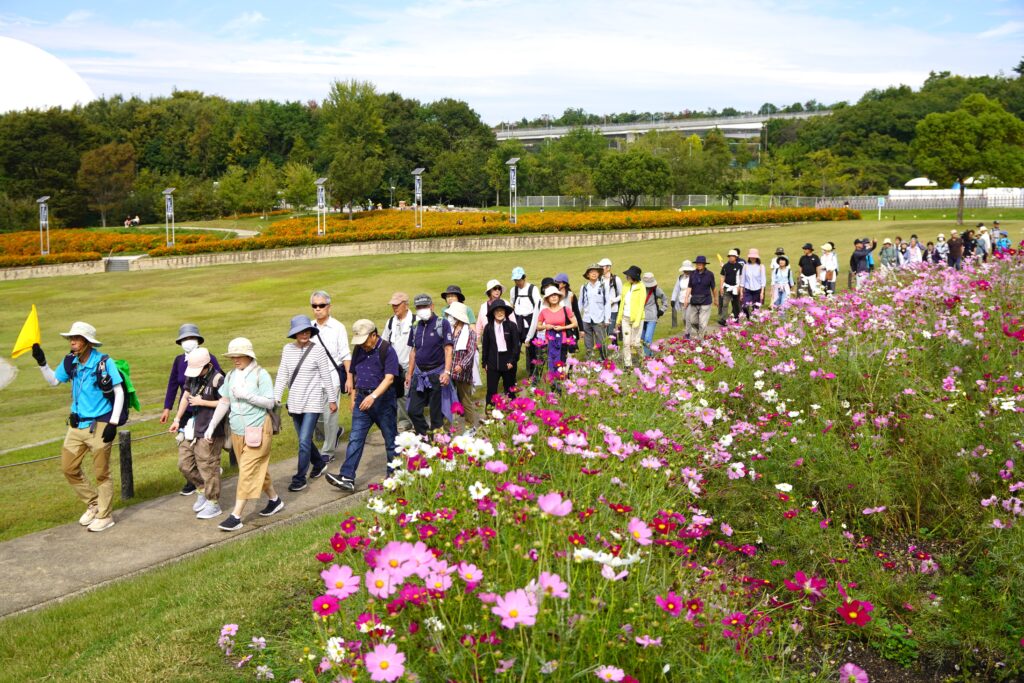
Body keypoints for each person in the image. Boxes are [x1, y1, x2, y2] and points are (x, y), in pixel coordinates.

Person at [31, 322, 124, 533]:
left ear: (88, 342)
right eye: (71, 338)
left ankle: (105, 515)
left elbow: (118, 392)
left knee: (102, 473)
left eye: (77, 338)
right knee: (68, 468)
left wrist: (113, 423)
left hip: (100, 424)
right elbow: (54, 381)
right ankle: (93, 503)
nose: (72, 342)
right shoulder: (70, 361)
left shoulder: (103, 362)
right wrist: (42, 363)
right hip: (77, 425)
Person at [205, 338, 282, 532]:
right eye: (232, 356)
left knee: (247, 472)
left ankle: (236, 516)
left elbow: (270, 402)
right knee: (256, 470)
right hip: (238, 431)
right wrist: (212, 425)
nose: (235, 359)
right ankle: (275, 500)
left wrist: (246, 395)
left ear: (249, 356)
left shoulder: (260, 374)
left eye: (238, 356)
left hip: (258, 429)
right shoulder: (230, 375)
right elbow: (224, 401)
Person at [326, 320, 400, 492]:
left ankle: (395, 475)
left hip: (383, 401)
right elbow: (355, 373)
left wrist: (374, 396)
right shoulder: (360, 348)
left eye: (365, 341)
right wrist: (354, 397)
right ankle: (347, 476)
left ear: (374, 335)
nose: (363, 345)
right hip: (362, 399)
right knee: (355, 439)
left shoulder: (387, 350)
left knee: (390, 439)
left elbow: (389, 378)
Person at [274, 315, 338, 493]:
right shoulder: (287, 349)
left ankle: (300, 477)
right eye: (301, 331)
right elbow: (282, 375)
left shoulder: (317, 350)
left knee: (303, 441)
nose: (305, 334)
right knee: (305, 441)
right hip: (294, 403)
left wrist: (332, 400)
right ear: (294, 333)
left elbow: (326, 376)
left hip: (312, 403)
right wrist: (276, 398)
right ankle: (318, 463)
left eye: (307, 330)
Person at [162, 323, 222, 496]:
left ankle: (208, 488)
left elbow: (217, 383)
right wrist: (169, 409)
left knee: (204, 453)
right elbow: (174, 385)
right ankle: (196, 483)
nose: (188, 341)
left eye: (191, 338)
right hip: (187, 412)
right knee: (186, 452)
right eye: (185, 339)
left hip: (206, 412)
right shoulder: (179, 361)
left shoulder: (208, 358)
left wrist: (203, 401)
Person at [169, 347, 227, 520]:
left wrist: (202, 402)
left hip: (212, 430)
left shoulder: (218, 379)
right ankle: (201, 488)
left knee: (208, 466)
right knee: (184, 463)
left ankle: (213, 502)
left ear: (207, 366)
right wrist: (177, 419)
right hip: (191, 427)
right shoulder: (192, 377)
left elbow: (226, 403)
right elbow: (186, 396)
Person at [405, 294, 455, 435]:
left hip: (436, 375)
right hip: (419, 375)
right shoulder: (415, 327)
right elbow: (413, 351)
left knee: (436, 416)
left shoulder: (442, 323)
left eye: (425, 306)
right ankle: (426, 435)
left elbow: (448, 349)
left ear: (432, 306)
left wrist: (447, 372)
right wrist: (409, 374)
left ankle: (436, 446)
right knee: (413, 410)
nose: (422, 310)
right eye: (419, 307)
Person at [310, 291, 351, 458]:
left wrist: (349, 378)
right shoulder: (309, 327)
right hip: (313, 380)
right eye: (314, 306)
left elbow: (345, 354)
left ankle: (328, 451)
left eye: (321, 305)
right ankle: (336, 432)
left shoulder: (338, 327)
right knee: (315, 417)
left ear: (329, 307)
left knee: (330, 416)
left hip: (332, 378)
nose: (318, 309)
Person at [382, 292, 414, 433]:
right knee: (398, 395)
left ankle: (408, 422)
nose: (394, 307)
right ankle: (404, 421)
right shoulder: (391, 322)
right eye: (393, 305)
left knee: (407, 395)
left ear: (406, 305)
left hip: (411, 364)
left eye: (397, 305)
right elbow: (384, 342)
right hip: (395, 366)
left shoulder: (415, 320)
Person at [480, 298, 521, 406]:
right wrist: (484, 363)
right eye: (497, 311)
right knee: (492, 390)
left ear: (505, 312)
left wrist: (512, 361)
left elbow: (516, 346)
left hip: (508, 362)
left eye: (502, 311)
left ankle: (513, 412)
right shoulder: (488, 327)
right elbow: (485, 346)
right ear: (493, 313)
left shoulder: (512, 326)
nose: (499, 313)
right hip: (493, 362)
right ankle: (490, 413)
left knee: (510, 389)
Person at [446, 301, 480, 427]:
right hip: (449, 370)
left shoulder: (469, 332)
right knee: (447, 399)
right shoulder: (450, 331)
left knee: (465, 399)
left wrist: (461, 365)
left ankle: (470, 424)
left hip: (463, 373)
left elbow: (471, 352)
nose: (451, 318)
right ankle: (448, 425)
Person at [537, 285, 578, 375]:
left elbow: (575, 324)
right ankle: (554, 386)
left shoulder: (565, 309)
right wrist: (545, 326)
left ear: (559, 297)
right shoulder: (544, 312)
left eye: (556, 295)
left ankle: (562, 385)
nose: (554, 297)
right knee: (552, 366)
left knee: (561, 365)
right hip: (550, 343)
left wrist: (562, 328)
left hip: (563, 342)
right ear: (547, 299)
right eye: (551, 295)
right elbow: (538, 326)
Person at [510, 267, 542, 376]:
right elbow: (512, 305)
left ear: (524, 278)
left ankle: (534, 375)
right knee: (514, 349)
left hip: (531, 321)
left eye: (519, 280)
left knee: (532, 350)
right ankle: (511, 376)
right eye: (515, 280)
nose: (518, 283)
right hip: (518, 321)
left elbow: (538, 307)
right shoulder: (513, 290)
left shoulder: (533, 289)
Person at [615, 266, 645, 368]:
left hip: (637, 319)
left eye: (629, 275)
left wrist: (637, 320)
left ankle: (643, 359)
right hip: (625, 318)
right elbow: (622, 303)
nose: (627, 277)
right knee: (626, 343)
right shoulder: (625, 286)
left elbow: (641, 305)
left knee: (635, 343)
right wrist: (618, 319)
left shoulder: (641, 287)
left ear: (634, 276)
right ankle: (628, 365)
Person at [579, 263, 611, 359]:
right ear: (587, 275)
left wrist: (607, 319)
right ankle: (590, 363)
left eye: (596, 272)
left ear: (599, 274)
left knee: (601, 342)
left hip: (599, 318)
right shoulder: (584, 287)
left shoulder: (603, 286)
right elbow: (580, 303)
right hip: (586, 319)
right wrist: (578, 319)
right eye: (591, 272)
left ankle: (605, 360)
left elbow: (607, 303)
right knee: (588, 343)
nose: (594, 274)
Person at [686, 256, 717, 339]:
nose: (699, 265)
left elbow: (713, 288)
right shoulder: (692, 274)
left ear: (704, 264)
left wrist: (715, 299)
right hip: (694, 301)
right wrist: (686, 298)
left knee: (702, 323)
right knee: (693, 321)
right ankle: (700, 332)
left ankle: (701, 339)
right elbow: (689, 286)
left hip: (706, 301)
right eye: (697, 263)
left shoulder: (710, 274)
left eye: (701, 263)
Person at [554, 273, 583, 355]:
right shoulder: (554, 296)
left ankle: (571, 365)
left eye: (558, 283)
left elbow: (577, 312)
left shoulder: (571, 295)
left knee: (571, 348)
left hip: (570, 325)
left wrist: (581, 329)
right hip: (558, 324)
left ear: (564, 284)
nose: (556, 284)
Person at [640, 272, 667, 356]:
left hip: (652, 317)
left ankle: (647, 358)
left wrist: (662, 310)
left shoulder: (656, 289)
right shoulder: (639, 289)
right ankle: (648, 354)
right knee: (642, 339)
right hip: (641, 317)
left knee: (648, 338)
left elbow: (665, 300)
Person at [600, 258, 623, 340]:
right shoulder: (600, 280)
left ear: (608, 268)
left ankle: (615, 350)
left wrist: (613, 301)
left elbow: (622, 295)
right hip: (602, 311)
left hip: (613, 310)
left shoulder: (616, 279)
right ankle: (606, 351)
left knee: (612, 333)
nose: (600, 268)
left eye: (602, 267)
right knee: (602, 334)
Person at [718, 250, 743, 323]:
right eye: (730, 256)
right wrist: (721, 287)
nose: (731, 258)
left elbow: (741, 277)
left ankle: (737, 318)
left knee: (736, 304)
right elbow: (722, 277)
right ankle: (724, 319)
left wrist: (740, 287)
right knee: (725, 303)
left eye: (732, 256)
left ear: (736, 257)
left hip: (736, 287)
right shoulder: (725, 266)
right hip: (727, 287)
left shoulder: (739, 266)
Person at [740, 249, 765, 320]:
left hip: (757, 290)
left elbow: (763, 280)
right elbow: (743, 279)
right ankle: (748, 317)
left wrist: (762, 292)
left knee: (756, 308)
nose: (752, 258)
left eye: (754, 257)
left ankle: (754, 322)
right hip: (748, 289)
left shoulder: (761, 266)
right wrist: (741, 291)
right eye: (751, 257)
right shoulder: (745, 266)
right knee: (745, 306)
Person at [672, 260, 695, 338]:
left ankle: (687, 333)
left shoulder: (694, 276)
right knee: (684, 317)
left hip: (691, 300)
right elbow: (676, 288)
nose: (686, 271)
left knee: (688, 317)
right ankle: (687, 329)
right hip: (682, 300)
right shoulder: (680, 277)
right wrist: (673, 299)